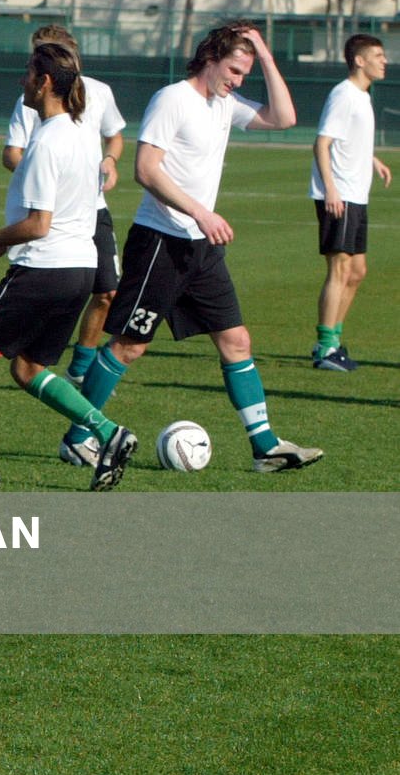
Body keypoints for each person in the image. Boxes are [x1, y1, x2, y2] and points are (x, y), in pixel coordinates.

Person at [59, 24, 322, 473]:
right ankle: (79, 437)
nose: (238, 81)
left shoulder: (225, 104)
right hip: (161, 241)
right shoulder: (173, 99)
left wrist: (266, 57)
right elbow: (145, 168)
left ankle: (265, 447)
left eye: (245, 73)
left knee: (236, 340)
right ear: (210, 57)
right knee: (129, 346)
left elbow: (284, 118)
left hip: (201, 249)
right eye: (235, 70)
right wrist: (201, 212)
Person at [0, 43, 138, 492]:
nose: (21, 81)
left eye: (27, 73)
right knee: (27, 368)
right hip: (79, 270)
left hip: (44, 269)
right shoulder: (80, 135)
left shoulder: (46, 141)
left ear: (45, 82)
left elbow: (39, 224)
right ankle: (109, 434)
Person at [1, 26, 125, 417]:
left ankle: (82, 374)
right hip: (51, 223)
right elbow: (12, 153)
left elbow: (115, 137)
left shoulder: (98, 93)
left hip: (90, 213)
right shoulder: (30, 106)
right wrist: (44, 182)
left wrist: (110, 159)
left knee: (107, 293)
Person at [309, 34, 390, 371]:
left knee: (357, 271)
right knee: (340, 268)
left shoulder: (362, 96)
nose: (384, 61)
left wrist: (372, 159)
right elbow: (322, 143)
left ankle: (334, 341)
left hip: (357, 195)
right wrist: (330, 189)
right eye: (378, 55)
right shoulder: (343, 95)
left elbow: (348, 138)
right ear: (359, 60)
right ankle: (325, 348)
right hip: (339, 196)